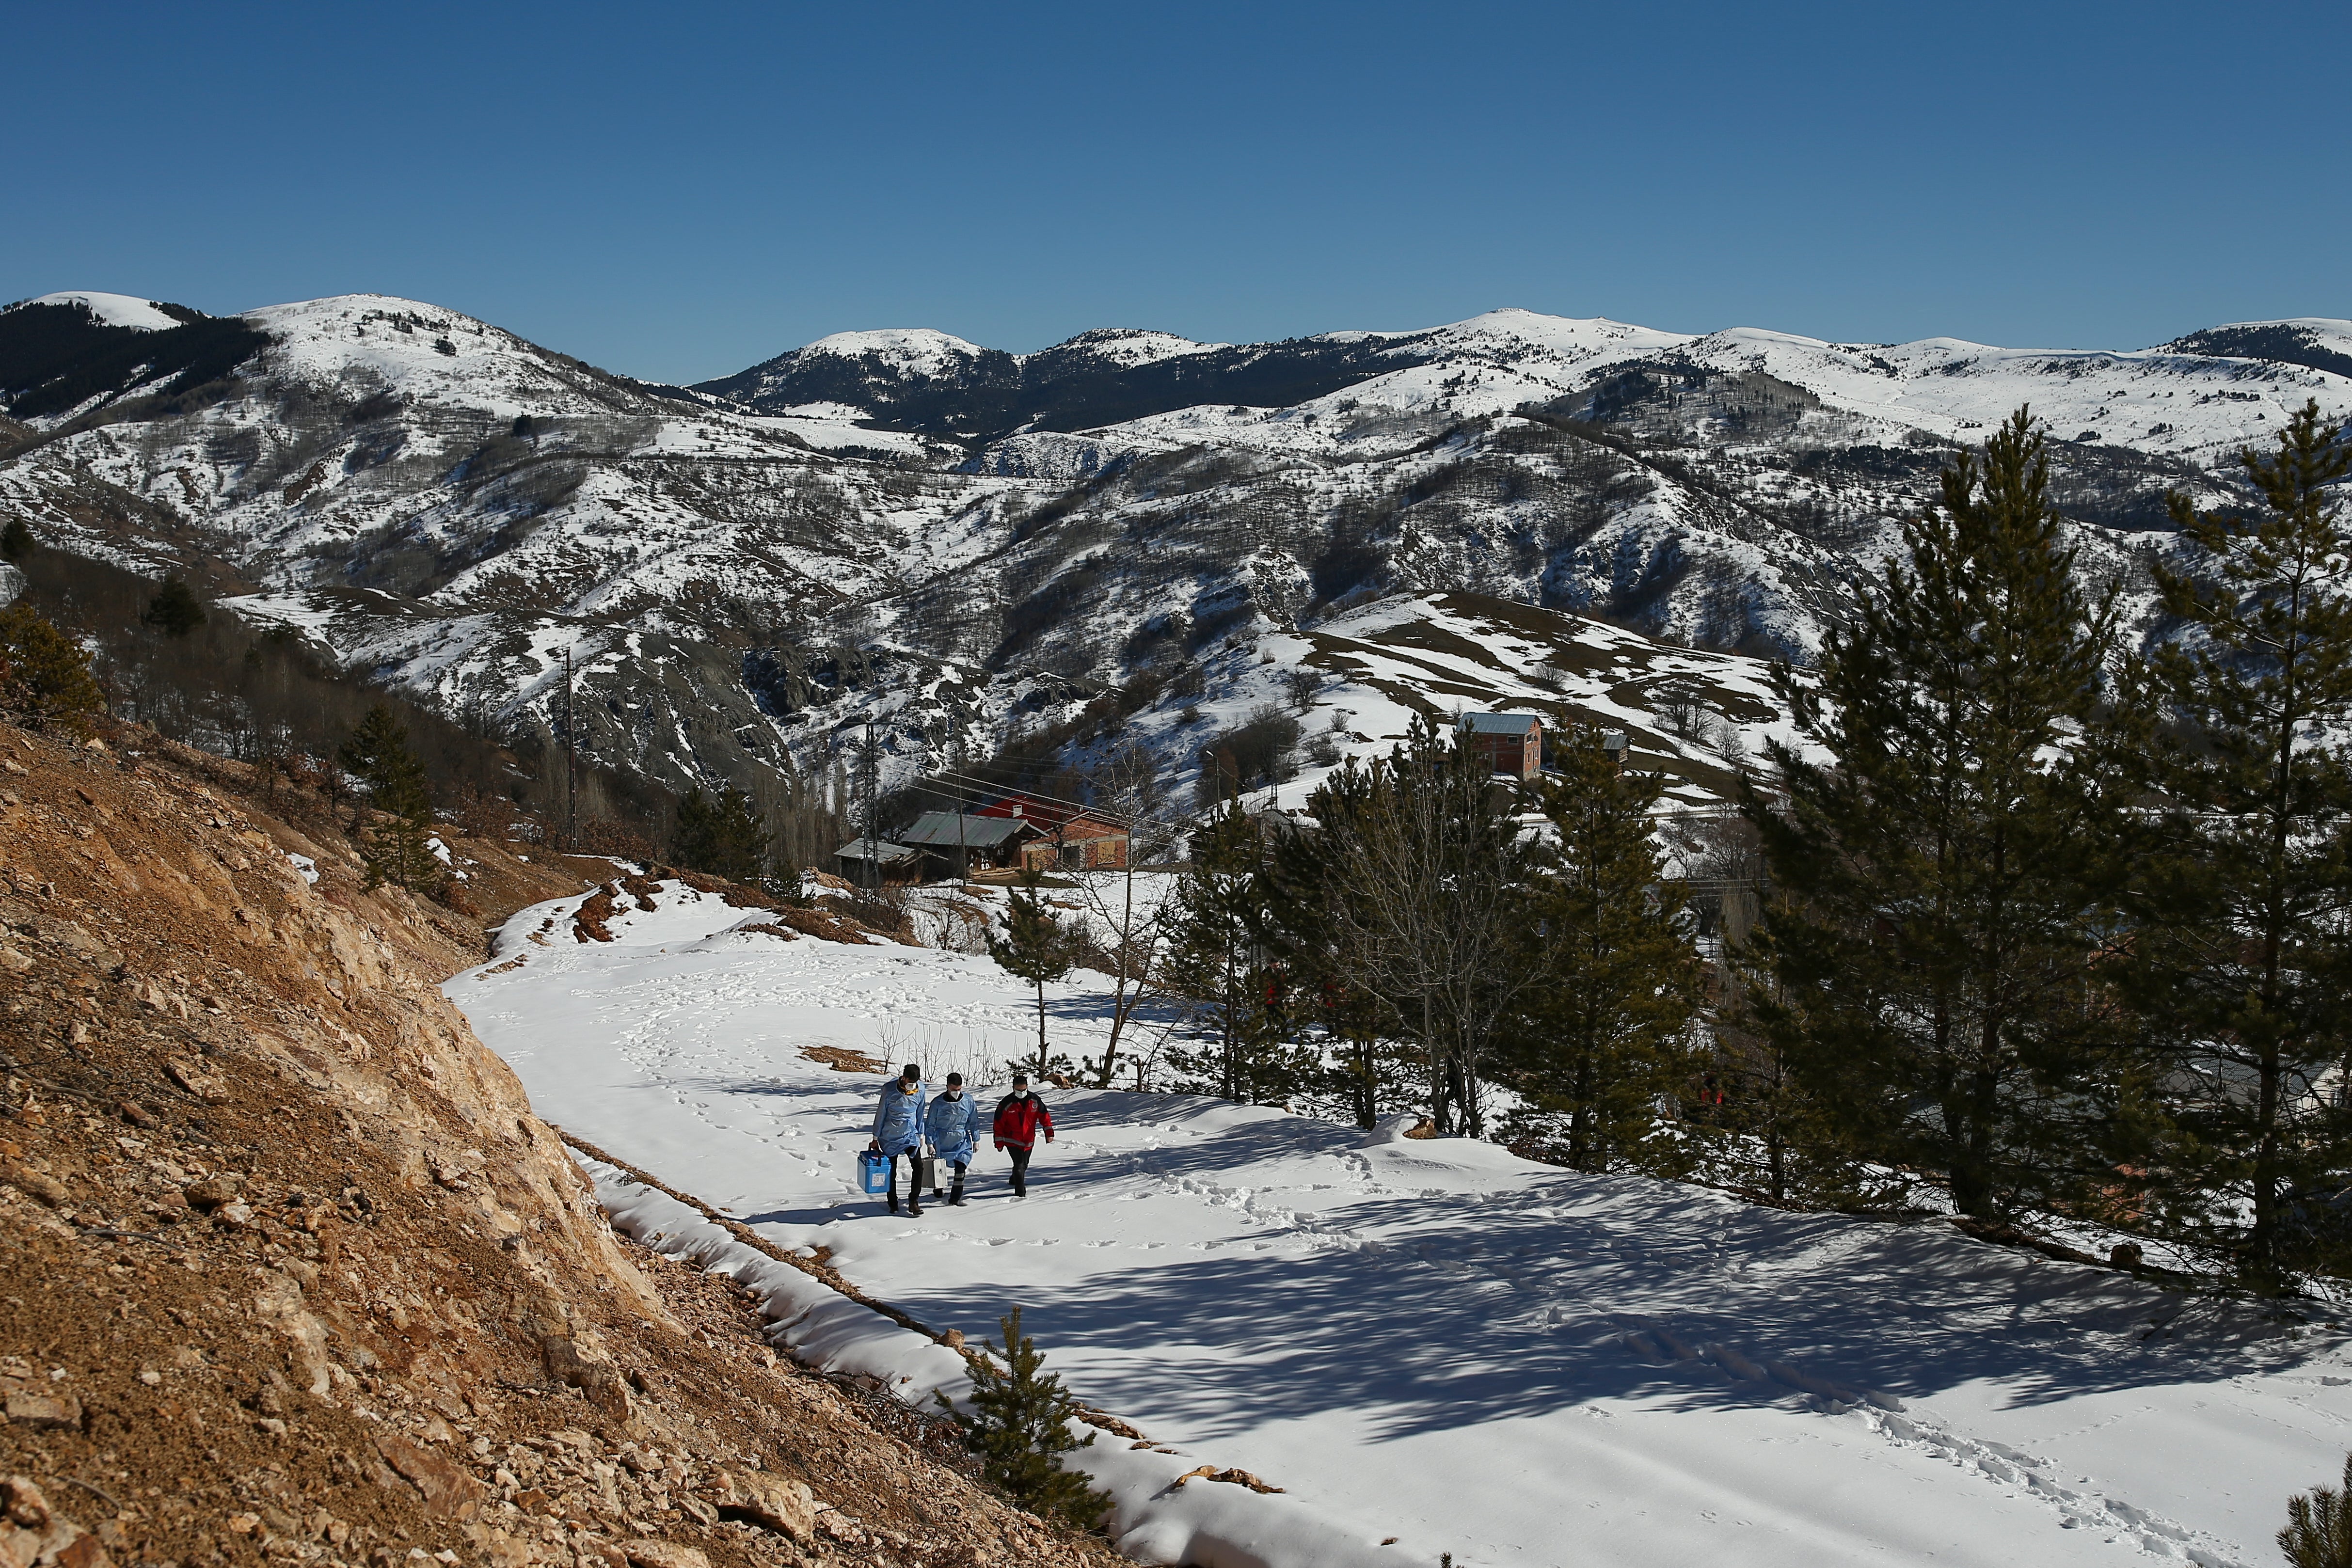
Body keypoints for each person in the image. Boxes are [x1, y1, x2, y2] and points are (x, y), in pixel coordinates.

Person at [869, 1063, 928, 1216]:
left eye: (915, 1083)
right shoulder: (889, 1090)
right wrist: (875, 1137)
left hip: (910, 1134)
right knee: (891, 1170)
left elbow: (920, 1113)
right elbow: (881, 1113)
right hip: (890, 1136)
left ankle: (914, 1201)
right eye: (910, 1082)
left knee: (919, 1166)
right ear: (904, 1078)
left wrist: (920, 1134)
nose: (912, 1085)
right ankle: (893, 1203)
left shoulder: (921, 1090)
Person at [992, 1072, 1054, 1198]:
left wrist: (1049, 1133)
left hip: (1029, 1139)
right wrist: (999, 1143)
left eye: (1024, 1089)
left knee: (1024, 1164)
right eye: (1018, 1090)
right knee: (1020, 1164)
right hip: (1012, 1140)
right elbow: (998, 1124)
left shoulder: (1034, 1101)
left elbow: (1044, 1116)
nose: (1021, 1092)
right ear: (1013, 1088)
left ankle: (1014, 1179)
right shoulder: (1006, 1103)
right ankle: (1020, 1193)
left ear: (1027, 1087)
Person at [923, 1072, 979, 1205]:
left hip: (961, 1140)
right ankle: (938, 1190)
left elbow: (974, 1121)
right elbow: (930, 1124)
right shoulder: (938, 1103)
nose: (957, 1092)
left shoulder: (968, 1100)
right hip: (942, 1140)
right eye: (954, 1090)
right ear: (947, 1087)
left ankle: (955, 1198)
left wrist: (976, 1139)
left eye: (960, 1089)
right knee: (939, 1169)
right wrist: (930, 1143)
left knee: (961, 1168)